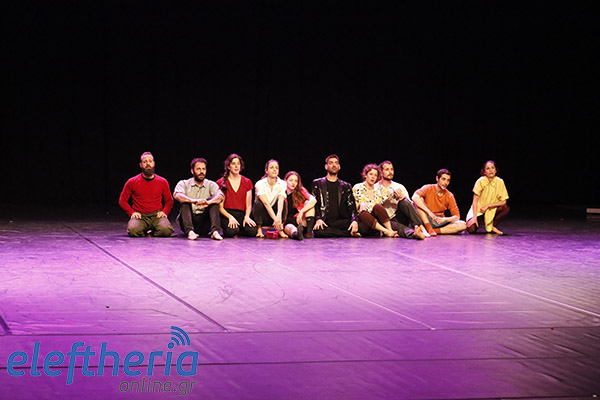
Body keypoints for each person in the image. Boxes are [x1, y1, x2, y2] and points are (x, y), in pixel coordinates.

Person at [118, 151, 174, 237]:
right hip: (140, 216)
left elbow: (169, 201)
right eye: (145, 162)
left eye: (150, 161)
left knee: (166, 230)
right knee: (133, 231)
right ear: (141, 165)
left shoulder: (162, 181)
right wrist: (132, 213)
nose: (148, 164)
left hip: (156, 216)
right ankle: (144, 232)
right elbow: (122, 200)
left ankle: (152, 233)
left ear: (153, 163)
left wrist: (164, 212)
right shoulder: (132, 181)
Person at [173, 157, 224, 240]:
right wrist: (192, 200)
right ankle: (190, 232)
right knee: (185, 202)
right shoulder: (184, 183)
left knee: (214, 202)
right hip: (188, 222)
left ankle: (215, 232)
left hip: (205, 223)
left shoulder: (211, 184)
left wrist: (209, 202)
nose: (201, 172)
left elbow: (220, 197)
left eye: (203, 169)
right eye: (198, 169)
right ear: (192, 171)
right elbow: (177, 195)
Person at [311, 154, 360, 238]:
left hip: (341, 221)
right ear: (326, 166)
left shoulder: (346, 186)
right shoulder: (317, 184)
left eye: (336, 163)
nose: (334, 165)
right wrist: (318, 219)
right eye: (331, 163)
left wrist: (354, 220)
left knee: (361, 227)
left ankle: (337, 231)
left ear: (339, 167)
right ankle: (347, 234)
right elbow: (314, 204)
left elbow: (352, 206)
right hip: (325, 220)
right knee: (319, 231)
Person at [378, 161, 426, 240]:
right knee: (397, 227)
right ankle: (414, 234)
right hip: (386, 220)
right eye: (387, 169)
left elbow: (410, 205)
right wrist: (390, 196)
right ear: (381, 172)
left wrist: (404, 198)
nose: (390, 172)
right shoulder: (376, 187)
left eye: (392, 169)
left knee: (404, 202)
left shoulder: (399, 186)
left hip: (399, 216)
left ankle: (421, 227)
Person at [412, 168, 466, 235]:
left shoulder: (449, 195)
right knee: (419, 199)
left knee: (463, 225)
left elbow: (457, 216)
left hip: (438, 220)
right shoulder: (428, 188)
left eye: (448, 180)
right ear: (437, 178)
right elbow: (414, 197)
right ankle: (428, 227)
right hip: (426, 217)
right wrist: (429, 212)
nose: (445, 183)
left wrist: (444, 219)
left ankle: (434, 231)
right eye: (443, 179)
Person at [216, 154, 258, 238]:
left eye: (238, 164)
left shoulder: (247, 182)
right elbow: (220, 208)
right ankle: (235, 229)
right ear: (228, 166)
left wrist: (247, 216)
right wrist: (230, 217)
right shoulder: (221, 183)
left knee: (252, 231)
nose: (236, 166)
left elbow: (249, 205)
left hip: (241, 214)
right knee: (231, 232)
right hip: (227, 214)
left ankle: (240, 229)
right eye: (233, 164)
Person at [352, 164, 398, 237]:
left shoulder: (379, 189)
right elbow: (352, 205)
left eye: (375, 175)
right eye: (371, 174)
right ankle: (386, 231)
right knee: (363, 213)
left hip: (376, 224)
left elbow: (391, 193)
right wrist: (359, 205)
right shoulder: (358, 187)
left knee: (378, 207)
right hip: (363, 222)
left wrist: (397, 193)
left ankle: (390, 230)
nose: (373, 177)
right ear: (365, 175)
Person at [466, 160, 510, 235]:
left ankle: (492, 225)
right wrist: (475, 217)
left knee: (505, 208)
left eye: (492, 168)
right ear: (484, 172)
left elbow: (503, 201)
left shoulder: (500, 181)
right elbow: (475, 201)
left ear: (496, 170)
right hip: (480, 209)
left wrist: (488, 206)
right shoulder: (480, 181)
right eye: (488, 168)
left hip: (491, 209)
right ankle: (479, 220)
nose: (491, 170)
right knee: (471, 229)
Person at [254, 159, 288, 238]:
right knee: (258, 203)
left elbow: (280, 200)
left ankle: (280, 229)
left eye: (276, 168)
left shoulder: (282, 183)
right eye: (272, 167)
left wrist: (279, 215)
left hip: (274, 211)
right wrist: (275, 218)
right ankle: (259, 229)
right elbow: (265, 203)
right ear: (266, 170)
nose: (274, 169)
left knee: (284, 203)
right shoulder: (260, 184)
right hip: (264, 212)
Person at [283, 171, 317, 240]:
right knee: (290, 228)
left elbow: (313, 200)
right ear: (285, 181)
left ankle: (309, 232)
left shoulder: (301, 190)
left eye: (296, 181)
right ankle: (297, 234)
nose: (293, 183)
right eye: (291, 180)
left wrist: (302, 212)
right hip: (289, 222)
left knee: (308, 202)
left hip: (301, 220)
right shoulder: (281, 194)